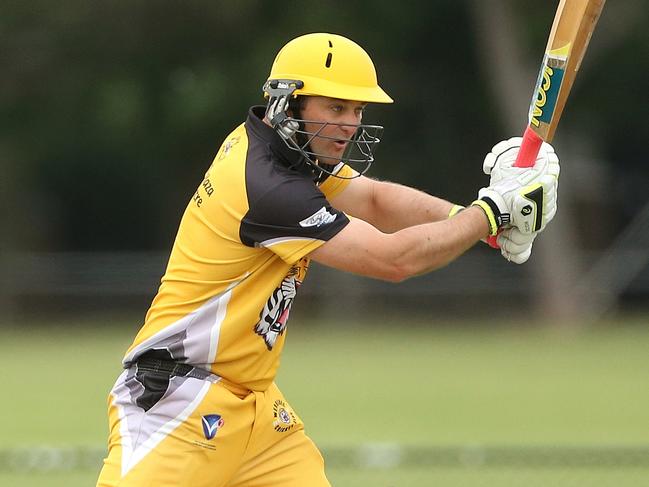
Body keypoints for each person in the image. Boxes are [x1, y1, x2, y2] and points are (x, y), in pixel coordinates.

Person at [96, 32, 559, 487]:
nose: (350, 123)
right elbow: (393, 260)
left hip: (256, 411)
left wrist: (476, 221)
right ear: (288, 104)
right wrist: (493, 212)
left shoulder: (288, 152)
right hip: (177, 401)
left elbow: (376, 200)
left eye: (357, 109)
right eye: (335, 107)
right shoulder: (268, 187)